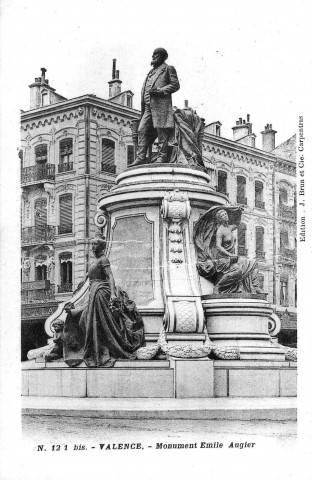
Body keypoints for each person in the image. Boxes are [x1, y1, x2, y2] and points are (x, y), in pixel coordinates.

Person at [63, 234, 145, 367]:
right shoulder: (93, 261)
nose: (93, 246)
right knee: (84, 319)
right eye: (92, 244)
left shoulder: (103, 259)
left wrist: (113, 294)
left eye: (95, 244)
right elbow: (88, 279)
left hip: (101, 293)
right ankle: (95, 347)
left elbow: (110, 276)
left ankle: (100, 348)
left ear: (101, 246)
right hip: (93, 293)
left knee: (92, 320)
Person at [194, 206, 262, 294]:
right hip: (223, 259)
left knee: (253, 263)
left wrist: (238, 211)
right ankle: (218, 287)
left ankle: (255, 286)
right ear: (219, 219)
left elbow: (237, 223)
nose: (225, 216)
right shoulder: (220, 230)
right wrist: (229, 255)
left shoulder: (229, 228)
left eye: (226, 214)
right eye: (223, 215)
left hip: (232, 258)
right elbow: (218, 246)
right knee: (238, 270)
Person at [130, 48, 180, 166]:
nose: (153, 56)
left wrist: (161, 91)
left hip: (160, 106)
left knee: (161, 131)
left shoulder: (168, 68)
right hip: (148, 107)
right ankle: (140, 157)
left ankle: (162, 156)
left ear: (163, 57)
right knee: (141, 130)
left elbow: (175, 85)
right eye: (153, 54)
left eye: (156, 54)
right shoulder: (151, 72)